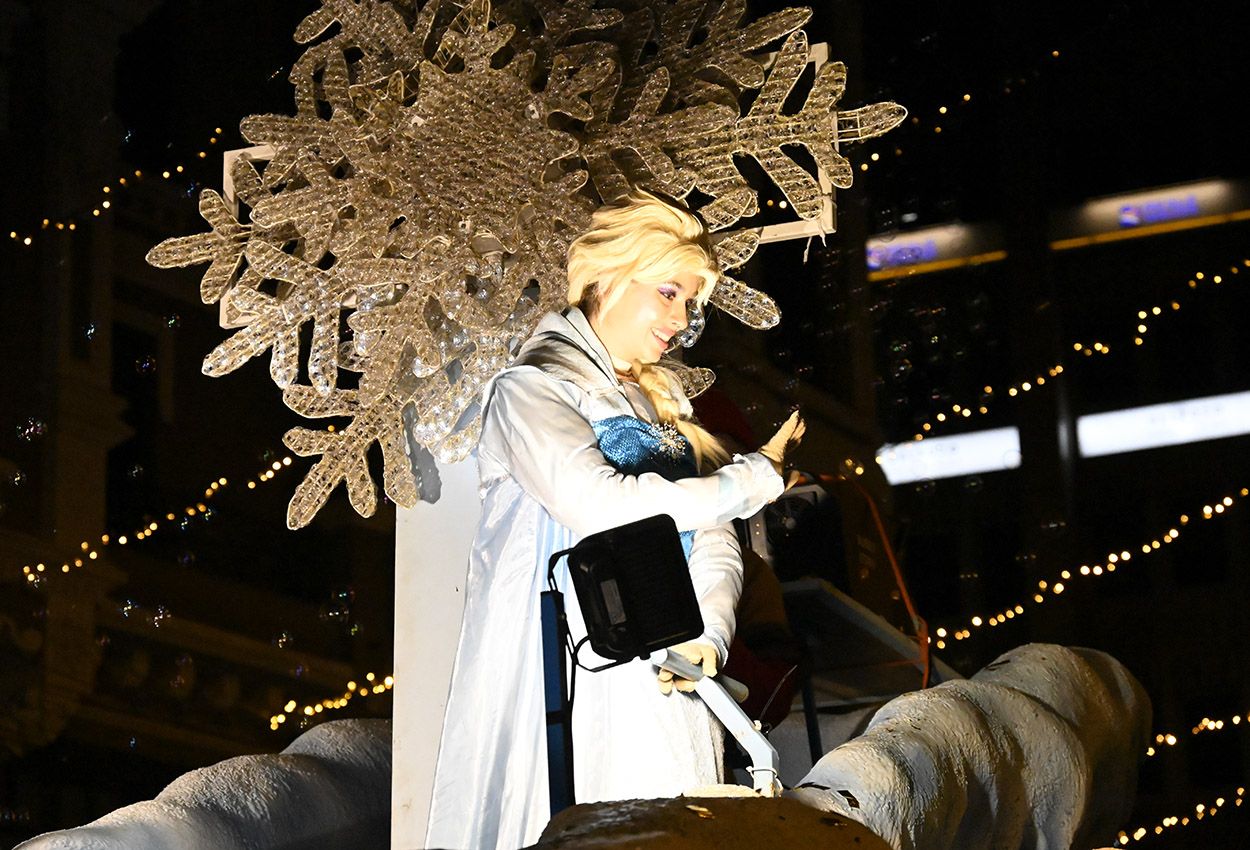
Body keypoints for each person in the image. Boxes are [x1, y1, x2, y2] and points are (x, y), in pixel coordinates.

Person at [425, 190, 805, 850]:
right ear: (610, 276)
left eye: (691, 305)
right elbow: (597, 505)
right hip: (569, 677)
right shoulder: (531, 389)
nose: (682, 320)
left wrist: (707, 636)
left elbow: (712, 537)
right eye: (668, 293)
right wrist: (746, 481)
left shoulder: (665, 408)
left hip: (663, 685)